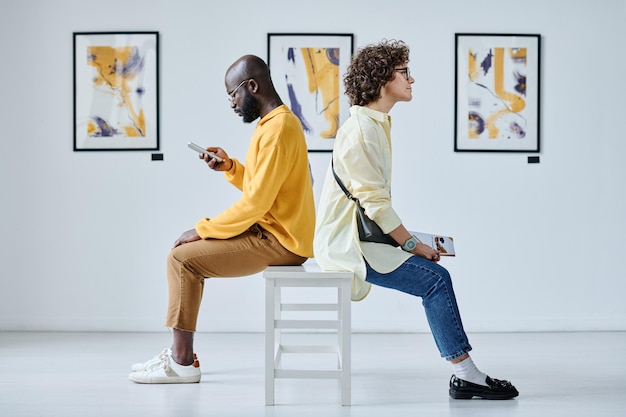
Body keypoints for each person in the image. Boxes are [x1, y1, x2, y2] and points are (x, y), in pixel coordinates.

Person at [313, 40, 519, 400]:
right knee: (436, 280)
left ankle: (465, 373)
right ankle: (466, 374)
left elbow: (374, 203)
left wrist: (407, 241)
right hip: (347, 244)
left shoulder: (373, 124)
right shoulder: (362, 130)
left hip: (362, 238)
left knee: (435, 277)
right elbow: (375, 205)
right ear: (382, 78)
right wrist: (412, 244)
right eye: (404, 72)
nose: (412, 79)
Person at [128, 54, 316, 384]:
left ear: (252, 86)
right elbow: (264, 189)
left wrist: (202, 229)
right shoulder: (273, 124)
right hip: (274, 232)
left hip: (280, 240)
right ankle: (179, 356)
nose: (231, 102)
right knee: (182, 258)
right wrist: (230, 167)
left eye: (232, 93)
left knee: (181, 260)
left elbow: (256, 202)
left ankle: (181, 362)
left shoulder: (279, 128)